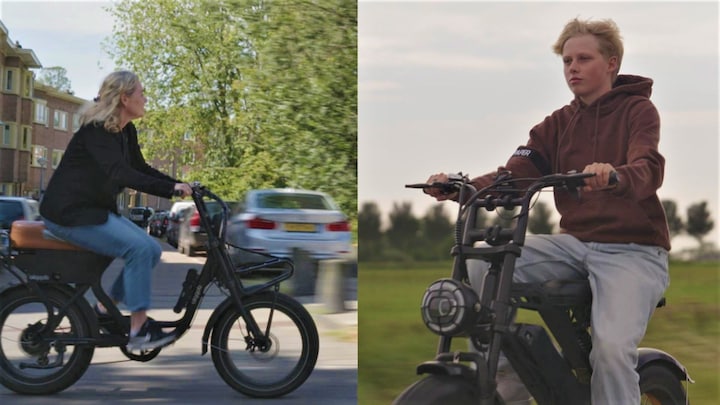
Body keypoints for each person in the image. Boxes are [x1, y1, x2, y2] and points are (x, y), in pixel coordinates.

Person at [424, 18, 669, 405]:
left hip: (634, 250)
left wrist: (614, 175)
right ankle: (508, 373)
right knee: (485, 260)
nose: (572, 67)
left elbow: (648, 168)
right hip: (574, 245)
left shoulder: (638, 111)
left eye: (583, 58)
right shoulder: (557, 124)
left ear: (611, 63)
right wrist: (463, 186)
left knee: (610, 350)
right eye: (567, 60)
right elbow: (513, 177)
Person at [39, 70, 193, 351]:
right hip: (68, 214)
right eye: (141, 93)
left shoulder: (125, 130)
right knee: (139, 250)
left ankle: (102, 309)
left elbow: (139, 168)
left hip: (94, 211)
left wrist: (178, 185)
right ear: (124, 98)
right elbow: (120, 173)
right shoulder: (97, 130)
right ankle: (138, 330)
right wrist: (171, 189)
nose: (146, 98)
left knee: (153, 250)